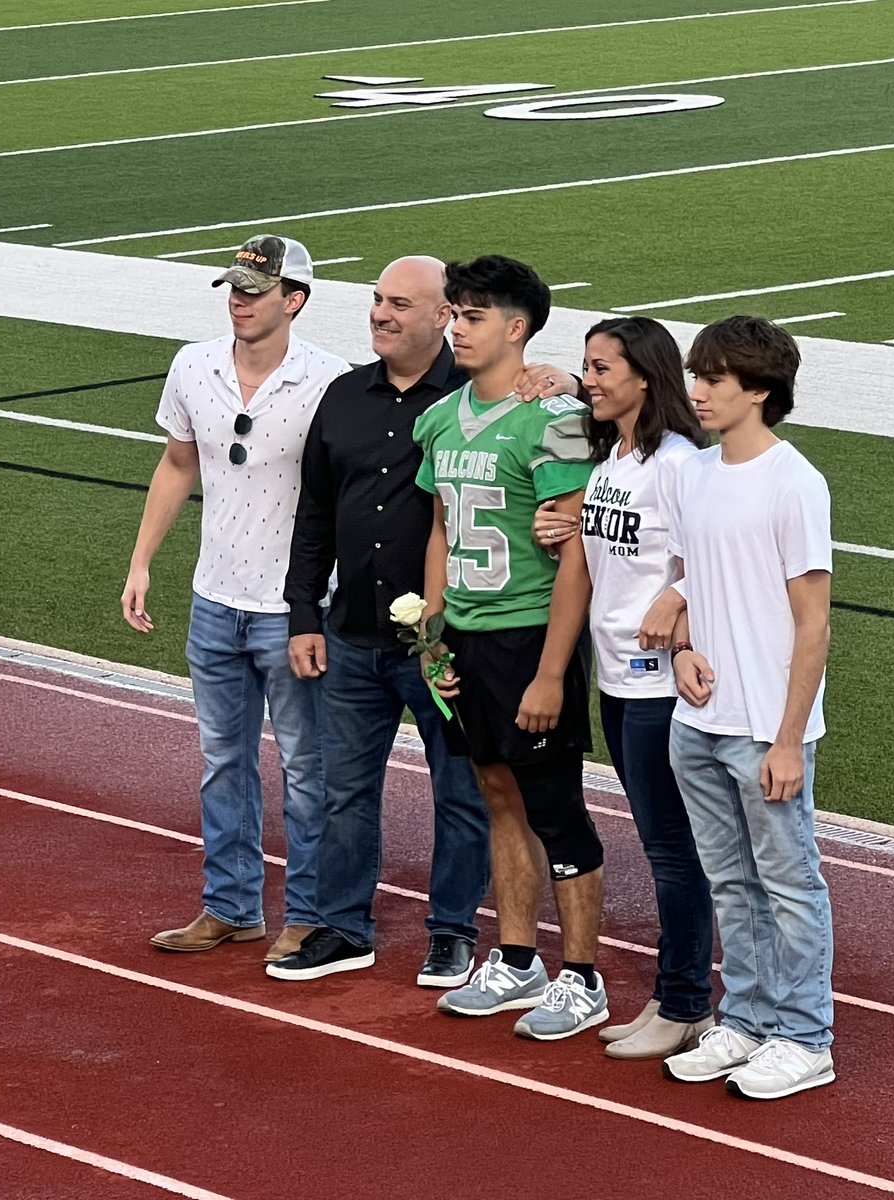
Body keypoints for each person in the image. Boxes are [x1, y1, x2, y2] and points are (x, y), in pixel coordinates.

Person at [267, 256, 582, 988]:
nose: (380, 313)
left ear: (448, 317)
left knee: (471, 792)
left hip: (458, 638)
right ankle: (344, 928)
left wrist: (565, 381)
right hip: (355, 631)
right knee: (344, 789)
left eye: (400, 303)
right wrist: (304, 612)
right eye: (376, 300)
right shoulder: (349, 397)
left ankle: (454, 934)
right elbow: (315, 513)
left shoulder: (512, 401)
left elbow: (593, 442)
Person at [122, 235, 350, 961]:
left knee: (307, 770)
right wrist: (142, 562)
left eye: (256, 290)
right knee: (224, 763)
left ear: (296, 300)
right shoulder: (193, 365)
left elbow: (354, 494)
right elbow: (177, 461)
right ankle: (230, 906)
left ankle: (309, 915)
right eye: (235, 288)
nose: (240, 301)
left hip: (295, 611)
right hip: (214, 598)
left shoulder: (330, 381)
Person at [414, 254, 606, 1042]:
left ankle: (584, 977)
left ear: (517, 328)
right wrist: (430, 632)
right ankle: (520, 957)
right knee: (496, 793)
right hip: (465, 634)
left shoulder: (553, 417)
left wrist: (553, 671)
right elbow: (440, 530)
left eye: (473, 315)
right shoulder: (438, 416)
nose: (456, 327)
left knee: (555, 806)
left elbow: (578, 550)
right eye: (455, 313)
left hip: (530, 634)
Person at [531, 316, 716, 1059]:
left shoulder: (678, 464)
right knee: (664, 845)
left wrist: (682, 598)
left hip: (660, 685)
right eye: (588, 368)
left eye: (603, 368)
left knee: (674, 852)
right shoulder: (612, 463)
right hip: (616, 677)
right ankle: (676, 998)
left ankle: (685, 1002)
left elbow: (720, 554)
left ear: (644, 373)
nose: (593, 379)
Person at [661, 314, 836, 1100]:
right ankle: (749, 1018)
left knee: (790, 884)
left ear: (759, 391)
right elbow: (687, 582)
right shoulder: (695, 473)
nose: (697, 391)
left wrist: (790, 738)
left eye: (714, 379)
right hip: (697, 720)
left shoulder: (795, 484)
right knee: (730, 881)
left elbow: (813, 622)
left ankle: (805, 1037)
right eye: (698, 375)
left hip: (764, 728)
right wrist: (683, 649)